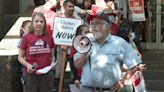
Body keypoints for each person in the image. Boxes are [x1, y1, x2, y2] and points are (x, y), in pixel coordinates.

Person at [73, 12, 146, 92]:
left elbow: (135, 64)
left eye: (98, 23)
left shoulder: (119, 43)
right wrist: (86, 50)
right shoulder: (86, 42)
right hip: (86, 89)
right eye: (92, 23)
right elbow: (77, 65)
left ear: (108, 26)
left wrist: (122, 81)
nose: (93, 26)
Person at [18, 12, 56, 92]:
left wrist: (52, 64)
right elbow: (20, 57)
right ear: (32, 23)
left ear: (44, 24)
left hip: (46, 74)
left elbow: (52, 56)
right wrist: (27, 65)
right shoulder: (26, 38)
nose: (39, 23)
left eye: (41, 21)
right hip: (30, 74)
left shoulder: (49, 38)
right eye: (36, 21)